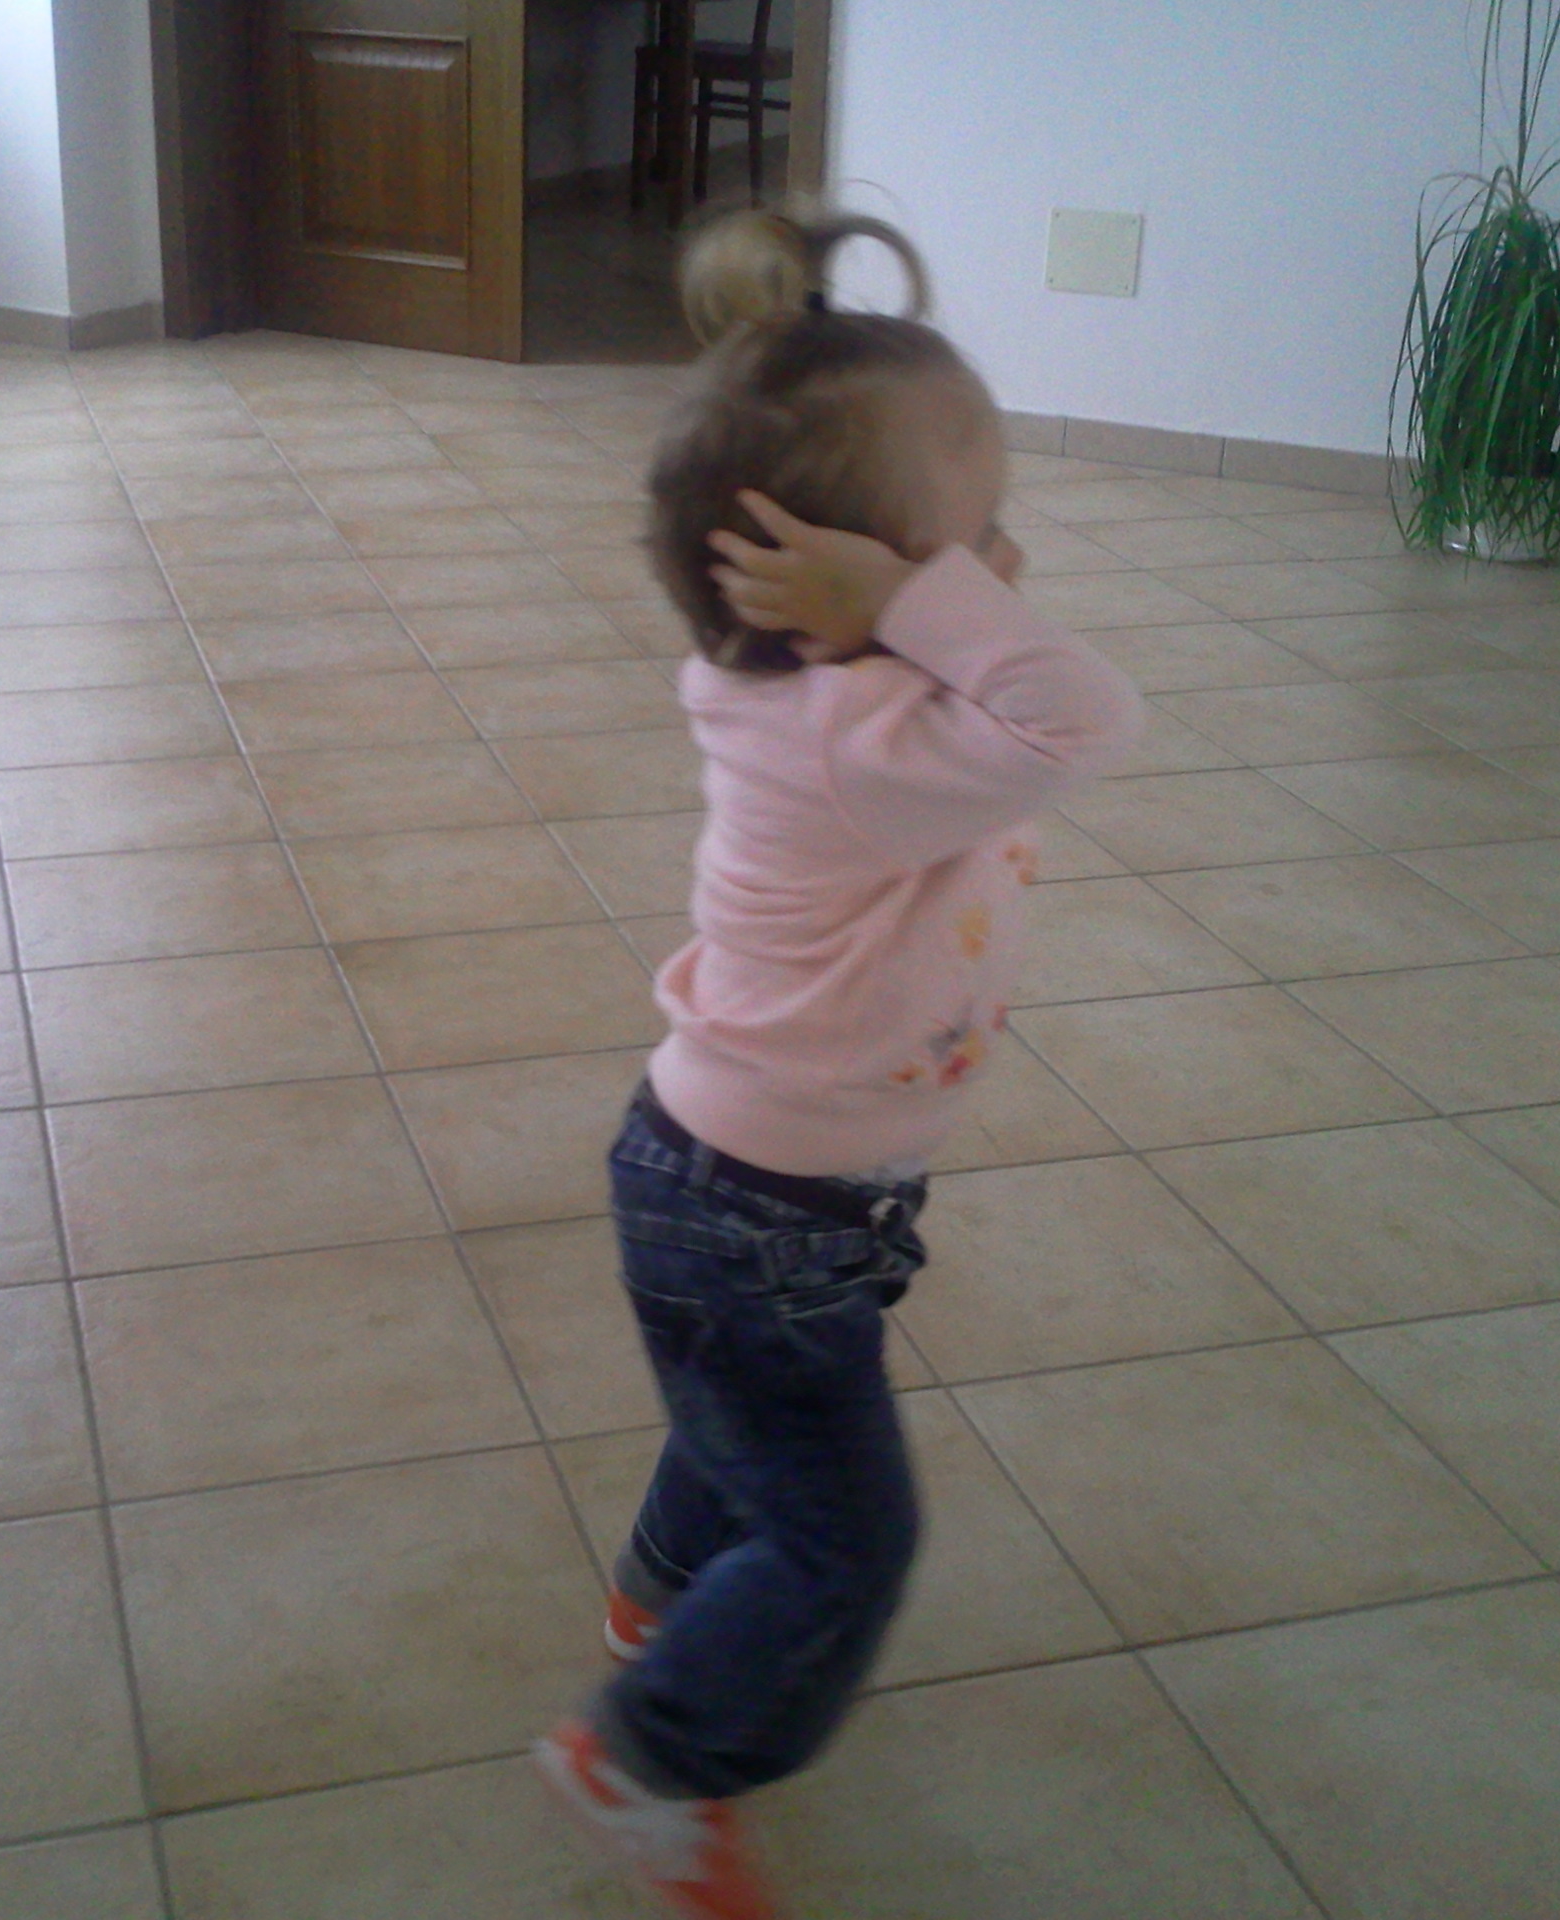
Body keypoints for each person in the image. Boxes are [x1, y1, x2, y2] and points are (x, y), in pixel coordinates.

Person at [532, 207, 1147, 1920]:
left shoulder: (792, 695)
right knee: (845, 1543)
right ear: (850, 589)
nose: (1006, 564)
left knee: (738, 1424)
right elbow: (1092, 715)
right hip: (766, 1210)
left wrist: (898, 597)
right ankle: (649, 1748)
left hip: (742, 1182)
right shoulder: (871, 741)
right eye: (977, 543)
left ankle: (660, 1602)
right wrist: (917, 604)